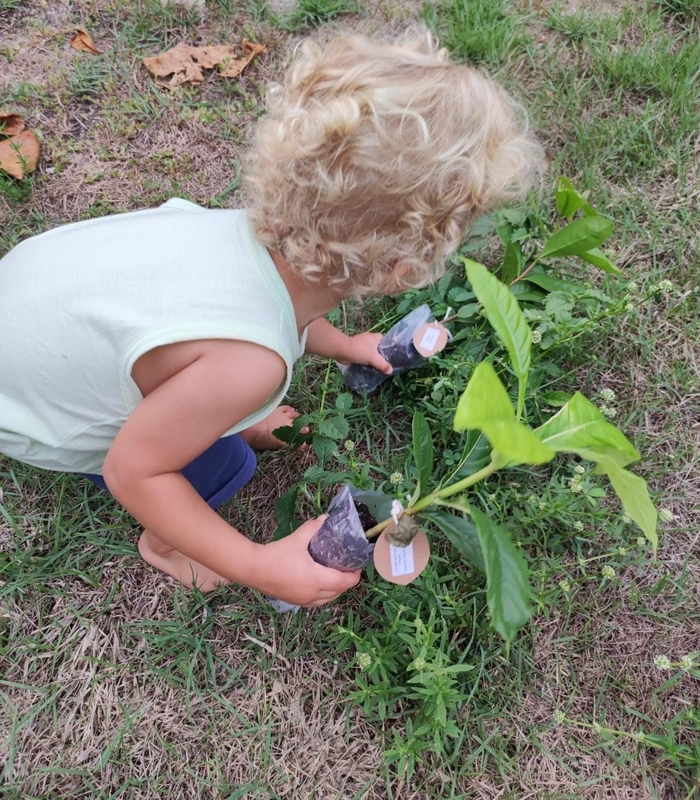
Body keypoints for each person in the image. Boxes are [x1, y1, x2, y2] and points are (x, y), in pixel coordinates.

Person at [0, 32, 541, 606]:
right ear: (401, 268)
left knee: (208, 400)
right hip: (28, 407)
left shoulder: (240, 234)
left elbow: (286, 310)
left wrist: (348, 346)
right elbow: (132, 471)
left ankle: (215, 418)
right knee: (225, 462)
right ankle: (162, 546)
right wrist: (261, 566)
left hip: (26, 301)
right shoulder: (249, 365)